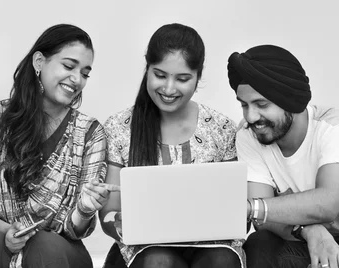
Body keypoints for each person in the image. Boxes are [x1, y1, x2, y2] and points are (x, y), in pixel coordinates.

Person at [0, 23, 117, 268]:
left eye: (85, 73)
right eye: (68, 66)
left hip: (57, 249)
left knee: (46, 244)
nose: (77, 79)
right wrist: (8, 231)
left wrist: (85, 210)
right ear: (39, 62)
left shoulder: (90, 132)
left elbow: (73, 228)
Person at [100, 23, 245, 268]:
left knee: (221, 260)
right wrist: (120, 222)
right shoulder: (119, 127)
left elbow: (238, 210)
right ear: (147, 70)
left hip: (213, 248)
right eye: (160, 75)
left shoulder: (221, 128)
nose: (168, 88)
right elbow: (108, 214)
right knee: (159, 261)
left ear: (198, 78)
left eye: (182, 79)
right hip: (144, 252)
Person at [228, 44, 339, 268]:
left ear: (291, 101)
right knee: (259, 243)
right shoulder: (249, 137)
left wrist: (251, 208)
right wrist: (308, 231)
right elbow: (263, 219)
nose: (251, 117)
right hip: (297, 238)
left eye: (261, 104)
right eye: (244, 105)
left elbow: (326, 204)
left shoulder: (337, 130)